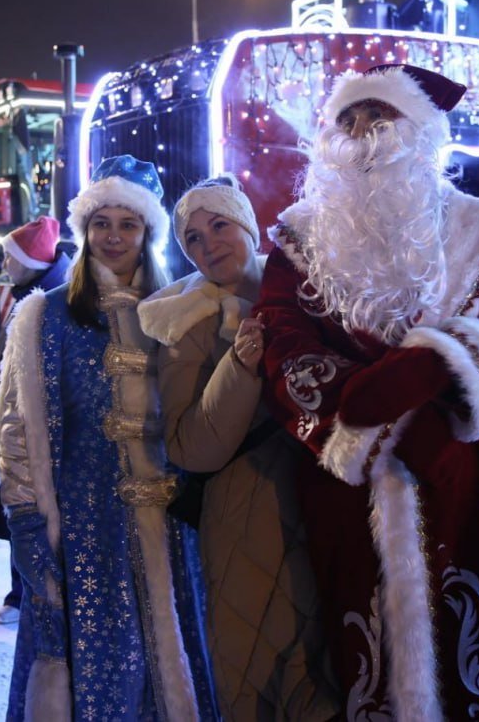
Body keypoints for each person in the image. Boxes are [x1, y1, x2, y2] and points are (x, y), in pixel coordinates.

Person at [255, 64, 479, 719]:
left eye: (379, 117)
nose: (363, 133)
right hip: (348, 487)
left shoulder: (478, 226)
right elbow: (282, 338)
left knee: (473, 657)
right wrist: (361, 407)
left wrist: (436, 366)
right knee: (361, 659)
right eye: (350, 120)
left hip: (456, 475)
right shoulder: (297, 237)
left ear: (419, 132)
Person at [0, 155, 218, 721]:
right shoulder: (42, 317)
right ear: (84, 230)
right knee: (94, 674)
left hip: (172, 529)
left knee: (176, 664)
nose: (113, 236)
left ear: (148, 232)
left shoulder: (181, 311)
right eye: (101, 222)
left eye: (128, 223)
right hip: (82, 529)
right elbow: (17, 432)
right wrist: (29, 525)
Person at [138, 175, 340, 720]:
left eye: (219, 225)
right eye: (193, 240)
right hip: (247, 520)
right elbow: (191, 449)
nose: (209, 245)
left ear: (249, 226)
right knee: (260, 676)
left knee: (335, 669)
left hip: (327, 502)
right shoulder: (184, 323)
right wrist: (240, 366)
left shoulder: (310, 289)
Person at [0, 215, 71, 626]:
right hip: (15, 422)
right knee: (18, 511)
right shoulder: (26, 291)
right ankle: (22, 593)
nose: (4, 263)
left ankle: (31, 596)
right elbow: (15, 360)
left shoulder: (52, 296)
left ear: (28, 259)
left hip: (34, 429)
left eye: (9, 256)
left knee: (30, 511)